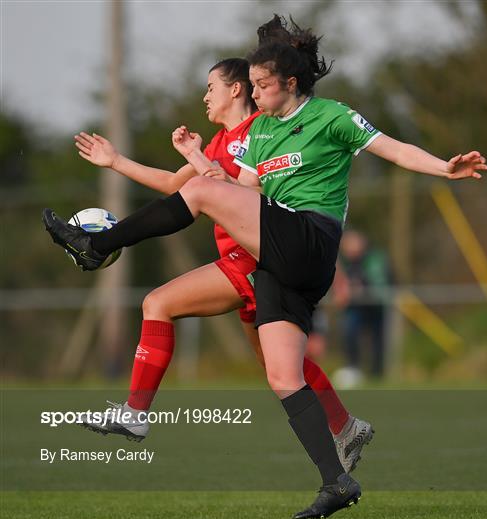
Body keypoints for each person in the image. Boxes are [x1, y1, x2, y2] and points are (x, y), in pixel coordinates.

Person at [43, 14, 487, 519]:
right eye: (250, 85)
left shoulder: (331, 115)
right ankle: (336, 480)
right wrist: (198, 164)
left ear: (289, 83)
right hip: (275, 261)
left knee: (200, 201)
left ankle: (97, 244)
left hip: (311, 240)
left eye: (260, 85)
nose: (253, 94)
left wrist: (445, 168)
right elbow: (238, 194)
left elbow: (394, 148)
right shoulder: (259, 139)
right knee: (282, 377)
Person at [71, 57, 372, 472]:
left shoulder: (260, 131)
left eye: (211, 86)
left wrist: (197, 161)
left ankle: (135, 414)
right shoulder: (216, 143)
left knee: (158, 303)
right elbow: (177, 188)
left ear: (236, 89)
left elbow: (253, 193)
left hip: (255, 258)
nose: (204, 95)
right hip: (245, 261)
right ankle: (345, 427)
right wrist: (117, 161)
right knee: (280, 366)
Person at [333, 229, 392, 386]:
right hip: (355, 308)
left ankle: (377, 373)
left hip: (375, 306)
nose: (349, 248)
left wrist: (363, 287)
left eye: (352, 244)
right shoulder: (343, 261)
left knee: (378, 340)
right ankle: (353, 369)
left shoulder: (374, 258)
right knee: (349, 332)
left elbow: (378, 282)